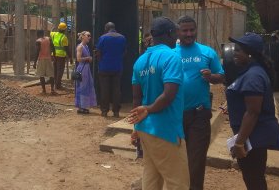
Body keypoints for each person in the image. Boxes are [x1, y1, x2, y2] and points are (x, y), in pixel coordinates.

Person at [128, 17, 190, 190]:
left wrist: (135, 129)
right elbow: (169, 94)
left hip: (146, 129)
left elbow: (136, 100)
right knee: (178, 183)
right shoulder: (172, 57)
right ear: (170, 34)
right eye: (176, 34)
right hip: (167, 130)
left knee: (151, 177)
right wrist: (148, 109)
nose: (177, 39)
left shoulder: (140, 61)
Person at [227, 32, 279, 190]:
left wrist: (239, 143)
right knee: (254, 177)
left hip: (253, 137)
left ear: (249, 53)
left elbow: (253, 112)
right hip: (253, 135)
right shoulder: (252, 72)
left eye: (238, 50)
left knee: (254, 179)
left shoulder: (253, 76)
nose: (234, 53)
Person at [173, 15, 225, 190]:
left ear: (196, 30)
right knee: (176, 159)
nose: (189, 34)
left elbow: (222, 76)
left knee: (196, 160)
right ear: (177, 32)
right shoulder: (171, 53)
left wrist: (211, 76)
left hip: (199, 115)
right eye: (184, 30)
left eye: (192, 30)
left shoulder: (207, 52)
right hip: (175, 115)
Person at [95, 22, 126, 118]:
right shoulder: (122, 38)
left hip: (104, 67)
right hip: (117, 67)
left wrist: (100, 62)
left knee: (105, 90)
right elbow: (124, 52)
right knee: (116, 90)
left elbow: (98, 52)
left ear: (106, 28)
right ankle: (116, 112)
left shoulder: (103, 38)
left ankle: (104, 111)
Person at [74, 31, 97, 114]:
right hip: (82, 68)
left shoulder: (86, 46)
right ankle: (81, 106)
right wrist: (87, 58)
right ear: (83, 36)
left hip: (86, 68)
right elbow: (78, 59)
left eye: (90, 36)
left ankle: (84, 106)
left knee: (87, 86)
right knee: (82, 87)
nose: (89, 37)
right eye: (88, 35)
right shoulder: (80, 47)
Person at [50, 22, 72, 90]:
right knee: (60, 70)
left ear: (58, 28)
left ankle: (54, 84)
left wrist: (53, 27)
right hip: (61, 56)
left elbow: (51, 31)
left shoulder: (53, 34)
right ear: (64, 30)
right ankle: (58, 85)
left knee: (55, 69)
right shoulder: (64, 37)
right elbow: (66, 48)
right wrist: (70, 57)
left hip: (54, 55)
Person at [33, 30, 55, 95]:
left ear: (38, 34)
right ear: (43, 33)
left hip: (41, 59)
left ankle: (44, 90)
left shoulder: (38, 41)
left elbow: (37, 52)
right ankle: (52, 90)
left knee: (41, 75)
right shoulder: (49, 39)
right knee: (51, 75)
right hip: (49, 59)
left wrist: (34, 62)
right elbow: (53, 48)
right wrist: (54, 55)